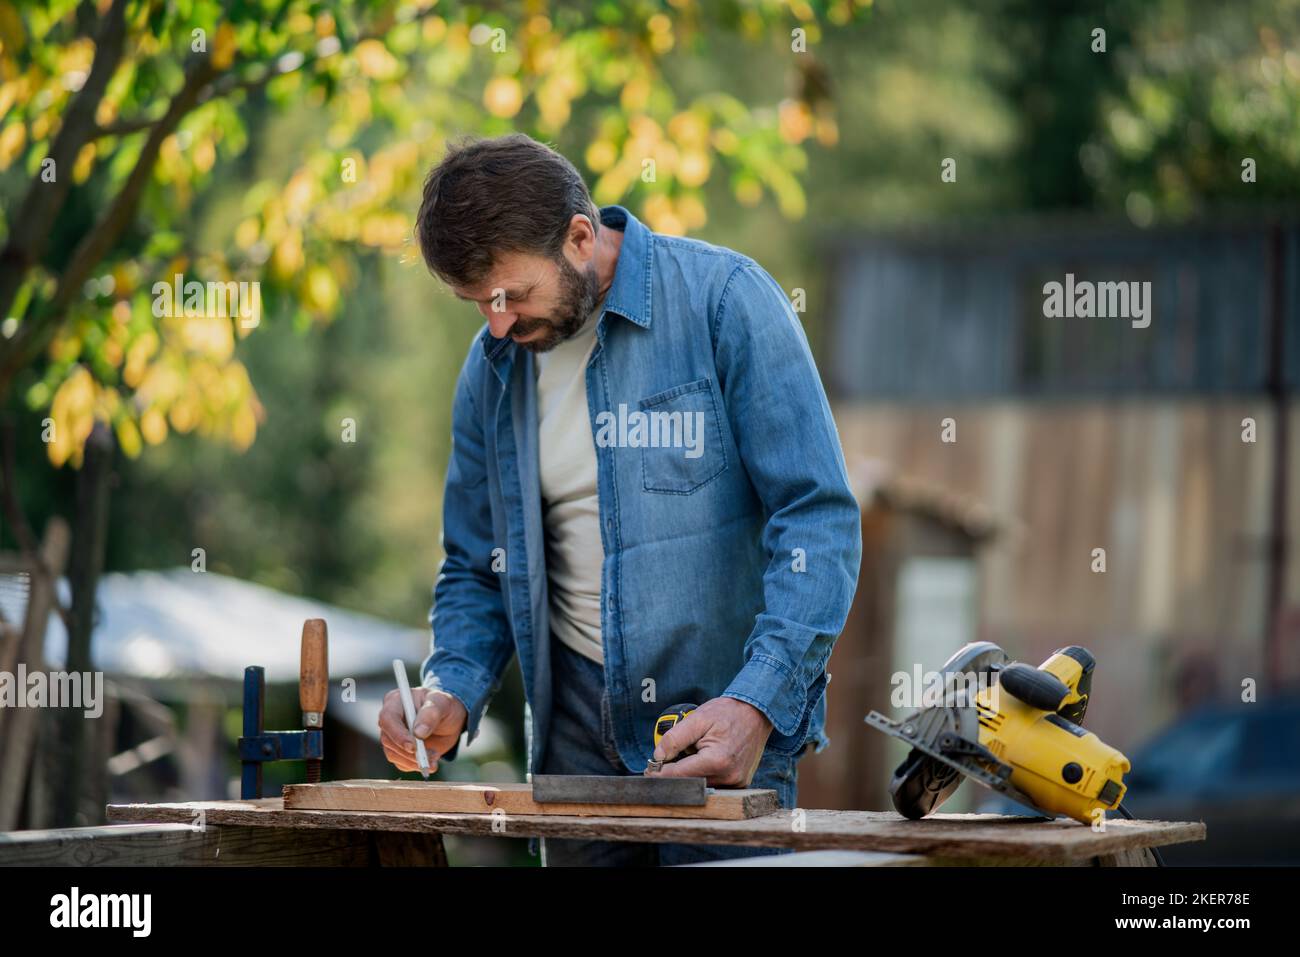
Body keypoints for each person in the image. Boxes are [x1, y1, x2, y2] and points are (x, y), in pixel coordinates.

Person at [378, 133, 861, 865]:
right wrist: (449, 687)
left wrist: (758, 702)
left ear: (579, 236)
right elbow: (478, 567)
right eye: (478, 304)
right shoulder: (492, 371)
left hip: (717, 738)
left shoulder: (725, 302)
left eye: (510, 296)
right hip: (572, 758)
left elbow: (816, 519)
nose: (497, 325)